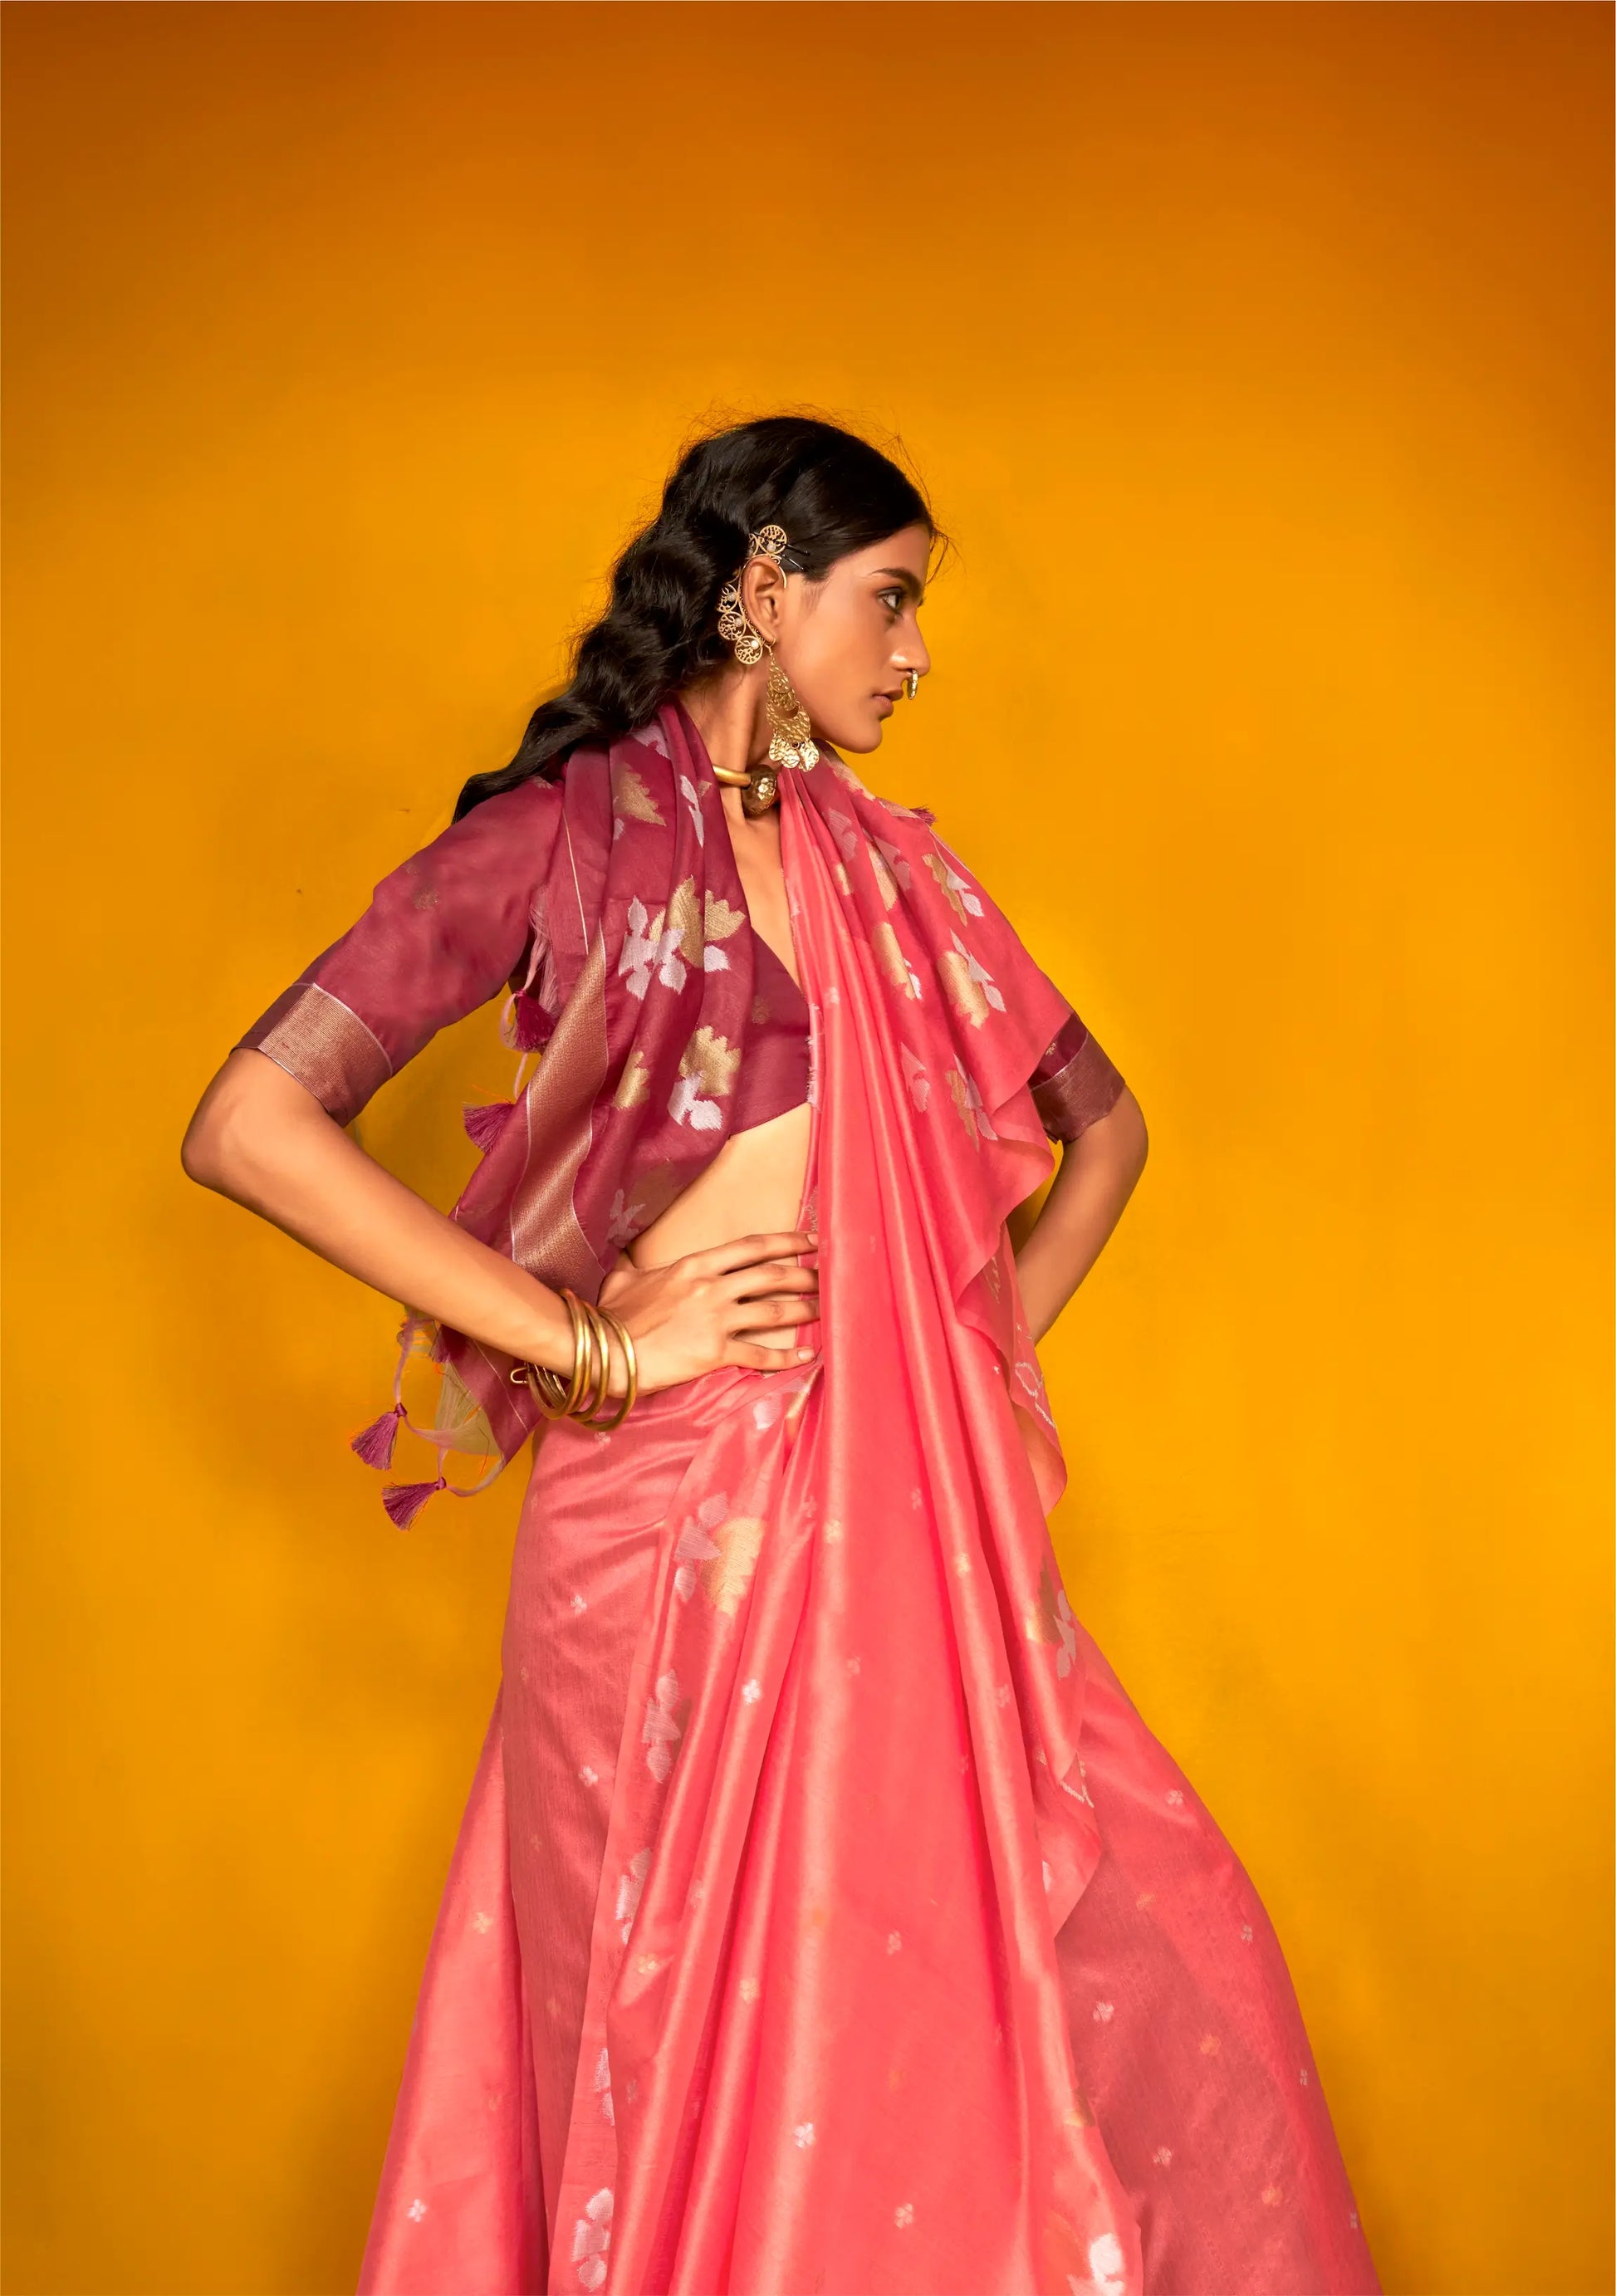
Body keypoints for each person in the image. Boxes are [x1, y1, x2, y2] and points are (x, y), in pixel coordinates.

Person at [182, 416, 1381, 2296]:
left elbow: (1109, 1134)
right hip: (650, 1545)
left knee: (1018, 1988)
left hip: (889, 1515)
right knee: (651, 2041)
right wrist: (588, 1341)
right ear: (763, 585)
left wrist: (939, 1376)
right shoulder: (566, 840)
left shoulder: (890, 873)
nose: (916, 650)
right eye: (887, 601)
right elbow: (249, 1124)